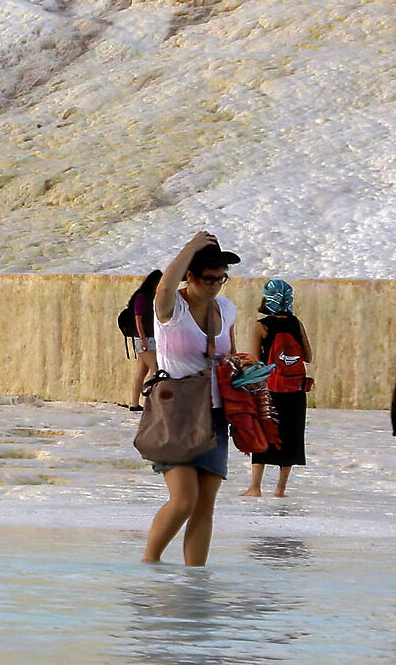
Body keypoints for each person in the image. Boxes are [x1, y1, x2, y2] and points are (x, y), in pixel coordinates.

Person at [140, 232, 241, 565]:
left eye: (221, 279)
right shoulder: (171, 309)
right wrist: (191, 247)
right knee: (184, 499)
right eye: (209, 278)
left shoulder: (225, 309)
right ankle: (149, 564)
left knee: (204, 504)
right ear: (191, 276)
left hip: (214, 413)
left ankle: (196, 582)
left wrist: (240, 363)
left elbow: (230, 351)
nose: (215, 285)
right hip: (176, 413)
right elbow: (164, 288)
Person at [243, 278, 313, 498]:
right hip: (295, 391)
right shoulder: (295, 323)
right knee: (291, 437)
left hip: (270, 390)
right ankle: (281, 489)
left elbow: (254, 361)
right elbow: (308, 357)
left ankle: (255, 487)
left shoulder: (261, 325)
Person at [122, 266, 161, 408]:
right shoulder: (142, 297)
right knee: (156, 370)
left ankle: (134, 404)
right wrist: (143, 338)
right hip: (144, 339)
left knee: (141, 372)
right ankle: (152, 401)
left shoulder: (147, 297)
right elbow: (138, 318)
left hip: (145, 338)